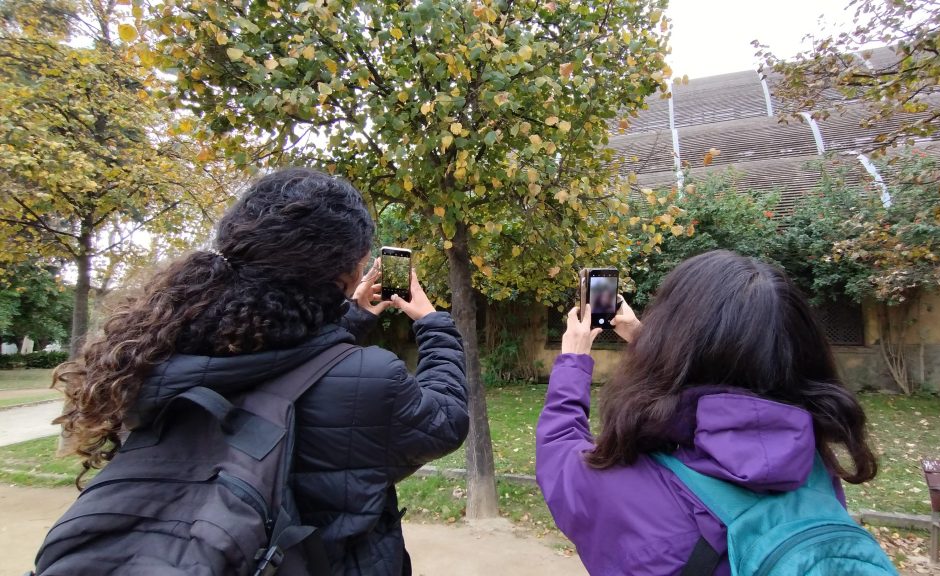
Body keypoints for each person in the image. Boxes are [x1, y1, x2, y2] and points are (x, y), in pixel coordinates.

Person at [54, 168, 469, 575]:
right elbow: (445, 418)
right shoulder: (370, 379)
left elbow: (278, 358)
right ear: (344, 275)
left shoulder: (157, 355)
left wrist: (351, 315)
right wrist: (432, 321)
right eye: (360, 264)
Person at [536, 250, 878, 575]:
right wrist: (643, 337)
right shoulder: (814, 471)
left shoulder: (628, 491)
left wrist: (574, 358)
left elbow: (559, 451)